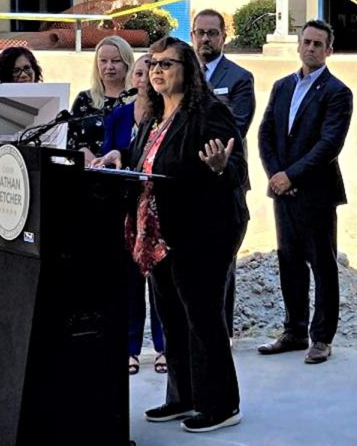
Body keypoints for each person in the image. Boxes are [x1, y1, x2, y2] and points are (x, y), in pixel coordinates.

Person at [94, 37, 246, 433]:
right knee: (173, 318)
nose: (158, 70)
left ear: (188, 69)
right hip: (160, 234)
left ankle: (221, 404)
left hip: (203, 231)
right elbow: (148, 161)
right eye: (153, 64)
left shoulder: (209, 113)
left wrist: (218, 167)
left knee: (203, 318)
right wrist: (120, 158)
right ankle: (183, 397)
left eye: (167, 64)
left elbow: (236, 171)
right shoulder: (155, 115)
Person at [257, 20, 353, 364]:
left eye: (318, 44)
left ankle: (322, 338)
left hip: (316, 193)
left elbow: (329, 144)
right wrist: (275, 174)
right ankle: (294, 331)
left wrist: (292, 176)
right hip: (283, 193)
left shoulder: (337, 92)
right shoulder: (282, 87)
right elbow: (266, 133)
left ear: (329, 50)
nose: (310, 48)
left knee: (323, 265)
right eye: (306, 42)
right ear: (298, 45)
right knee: (289, 262)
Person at [190, 8, 255, 339]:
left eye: (212, 33)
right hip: (189, 182)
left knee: (222, 259)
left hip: (225, 179)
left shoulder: (239, 78)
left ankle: (223, 333)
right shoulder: (184, 74)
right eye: (199, 33)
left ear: (224, 38)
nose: (205, 39)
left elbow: (236, 126)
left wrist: (192, 143)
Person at [101, 53, 166, 376]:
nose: (144, 79)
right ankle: (130, 349)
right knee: (129, 283)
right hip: (124, 209)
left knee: (159, 283)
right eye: (139, 73)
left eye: (149, 72)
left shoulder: (167, 116)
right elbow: (111, 155)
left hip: (157, 212)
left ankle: (163, 347)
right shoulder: (118, 116)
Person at [68, 35, 134, 162]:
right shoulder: (84, 99)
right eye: (103, 61)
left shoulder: (138, 100)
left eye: (115, 61)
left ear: (127, 63)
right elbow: (70, 139)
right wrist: (94, 162)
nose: (109, 67)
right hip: (88, 173)